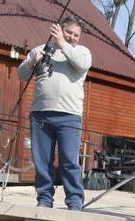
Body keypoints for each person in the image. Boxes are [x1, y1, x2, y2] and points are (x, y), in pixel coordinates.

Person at [18, 16, 92, 210]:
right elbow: (21, 74)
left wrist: (62, 42)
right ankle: (44, 199)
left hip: (69, 116)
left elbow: (82, 65)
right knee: (42, 161)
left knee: (69, 161)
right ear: (59, 29)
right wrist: (32, 61)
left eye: (76, 35)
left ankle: (74, 202)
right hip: (40, 114)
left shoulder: (82, 52)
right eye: (69, 32)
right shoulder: (39, 50)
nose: (72, 37)